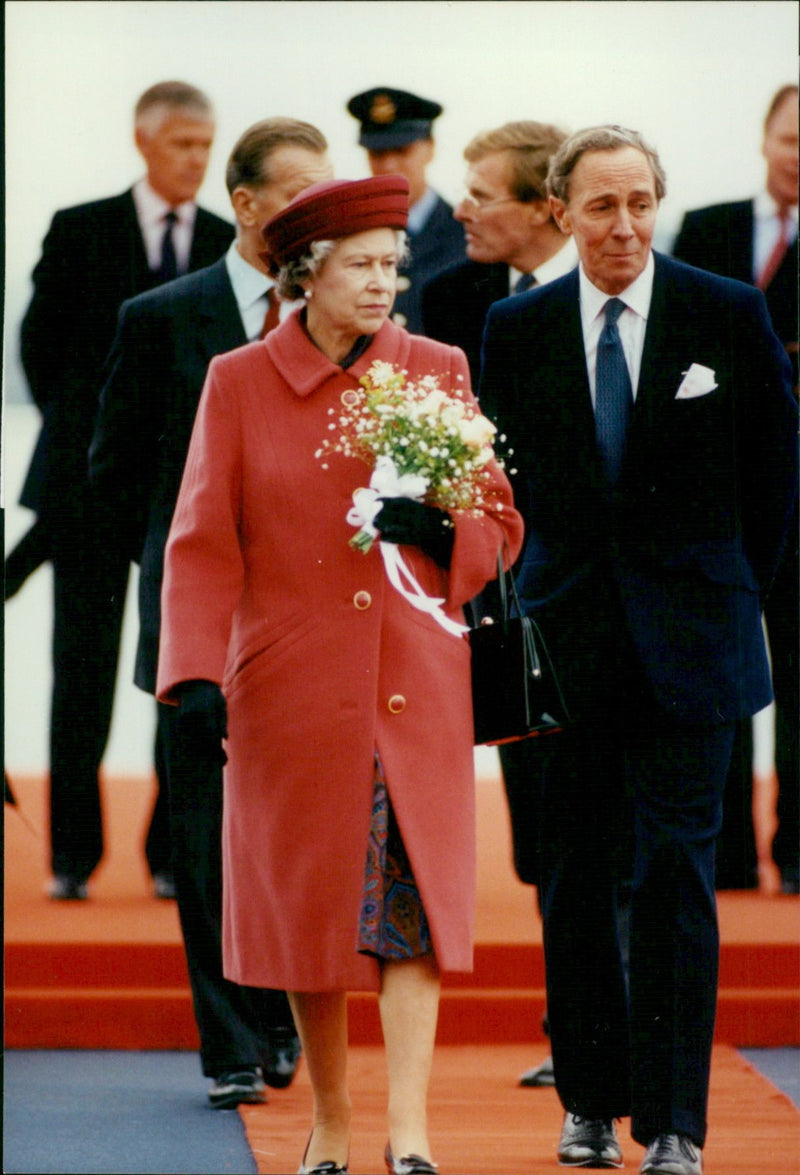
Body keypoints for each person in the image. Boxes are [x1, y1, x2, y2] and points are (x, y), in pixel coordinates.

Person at [156, 175, 523, 1175]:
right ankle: (335, 1116)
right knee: (313, 913)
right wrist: (190, 674)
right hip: (289, 689)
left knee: (408, 914)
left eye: (391, 264)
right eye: (360, 264)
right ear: (304, 273)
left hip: (414, 681)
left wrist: (443, 529)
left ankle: (409, 1130)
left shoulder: (437, 365)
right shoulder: (238, 379)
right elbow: (200, 545)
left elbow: (500, 525)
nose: (382, 283)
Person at [479, 125, 797, 1174]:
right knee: (570, 879)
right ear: (561, 212)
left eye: (638, 204)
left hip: (691, 647)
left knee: (673, 874)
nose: (622, 227)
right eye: (600, 206)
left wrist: (725, 591)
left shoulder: (725, 310)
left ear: (657, 205)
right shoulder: (514, 328)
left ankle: (674, 1120)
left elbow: (774, 478)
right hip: (560, 648)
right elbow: (498, 493)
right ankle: (586, 1100)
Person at [90, 118, 332, 1109]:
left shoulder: (340, 318)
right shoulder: (160, 317)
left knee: (296, 829)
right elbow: (114, 473)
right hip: (198, 617)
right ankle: (231, 1040)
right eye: (297, 192)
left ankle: (281, 1016)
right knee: (200, 827)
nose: (315, 210)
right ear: (245, 204)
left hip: (309, 621)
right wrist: (174, 566)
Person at [12, 81, 234, 901]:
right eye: (183, 144)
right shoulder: (80, 230)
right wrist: (88, 451)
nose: (196, 160)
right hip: (87, 492)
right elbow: (40, 350)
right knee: (81, 672)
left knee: (179, 675)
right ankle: (72, 856)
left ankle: (172, 854)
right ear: (145, 142)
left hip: (187, 495)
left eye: (207, 146)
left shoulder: (220, 239)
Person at [422, 118, 577, 1090]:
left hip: (598, 609)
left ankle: (589, 1037)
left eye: (480, 192)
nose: (460, 207)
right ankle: (573, 1025)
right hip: (502, 611)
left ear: (541, 209)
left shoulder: (610, 298)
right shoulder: (449, 297)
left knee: (601, 837)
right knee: (538, 842)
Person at [673, 83, 799, 895]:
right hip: (711, 496)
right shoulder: (707, 228)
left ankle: (795, 851)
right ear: (764, 138)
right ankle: (722, 855)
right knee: (714, 671)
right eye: (791, 138)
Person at [423, 119, 576, 385]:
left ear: (542, 208)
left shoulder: (615, 285)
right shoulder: (448, 296)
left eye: (480, 198)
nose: (460, 213)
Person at [347, 87, 466, 333]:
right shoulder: (350, 234)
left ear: (430, 147)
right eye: (377, 153)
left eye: (402, 151)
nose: (389, 165)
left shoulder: (466, 233)